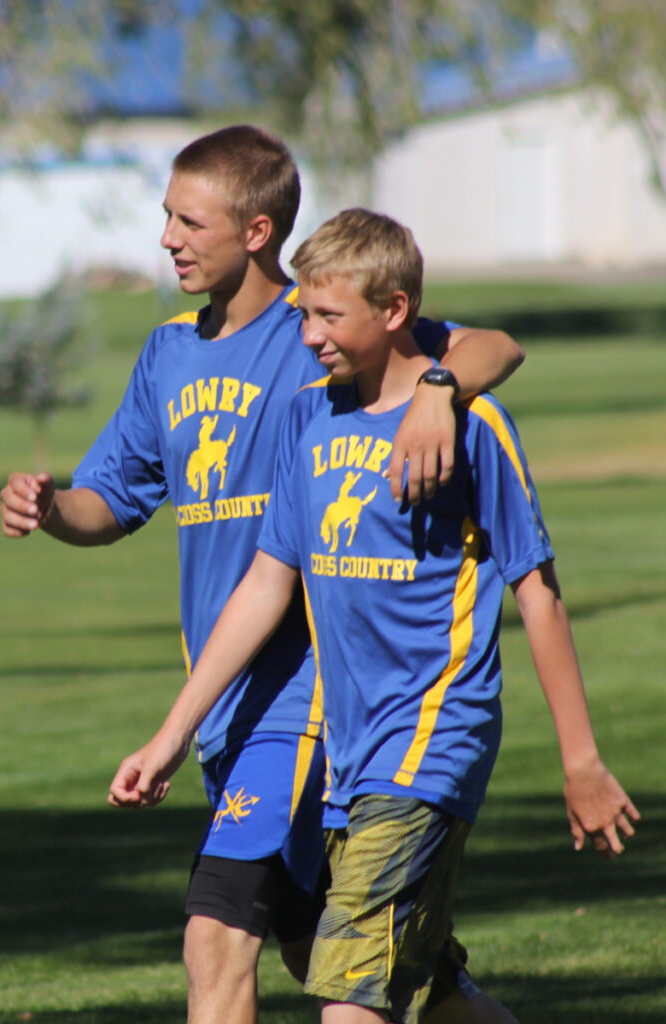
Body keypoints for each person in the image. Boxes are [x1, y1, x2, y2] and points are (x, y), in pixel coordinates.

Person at [1, 127, 524, 1024]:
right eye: (166, 217)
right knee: (351, 961)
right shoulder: (168, 352)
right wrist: (52, 508)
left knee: (215, 936)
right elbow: (110, 502)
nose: (166, 238)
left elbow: (494, 346)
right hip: (224, 705)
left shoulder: (317, 325)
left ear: (254, 231)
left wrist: (440, 391)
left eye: (188, 221)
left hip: (305, 698)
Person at [108, 208, 640, 1024]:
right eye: (303, 314)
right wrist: (170, 734)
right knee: (427, 992)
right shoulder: (308, 416)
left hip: (427, 741)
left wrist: (581, 760)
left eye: (328, 316)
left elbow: (536, 592)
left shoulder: (472, 426)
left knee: (348, 1005)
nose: (308, 335)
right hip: (348, 758)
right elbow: (266, 581)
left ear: (394, 310)